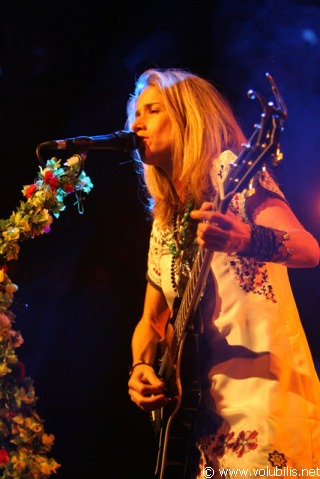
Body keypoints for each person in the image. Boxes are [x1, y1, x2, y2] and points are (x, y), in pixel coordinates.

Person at [126, 68, 320, 477]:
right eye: (134, 114)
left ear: (189, 118)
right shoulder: (164, 220)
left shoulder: (230, 172)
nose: (136, 124)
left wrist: (244, 237)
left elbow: (308, 249)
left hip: (263, 398)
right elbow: (151, 320)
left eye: (152, 110)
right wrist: (140, 368)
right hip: (200, 419)